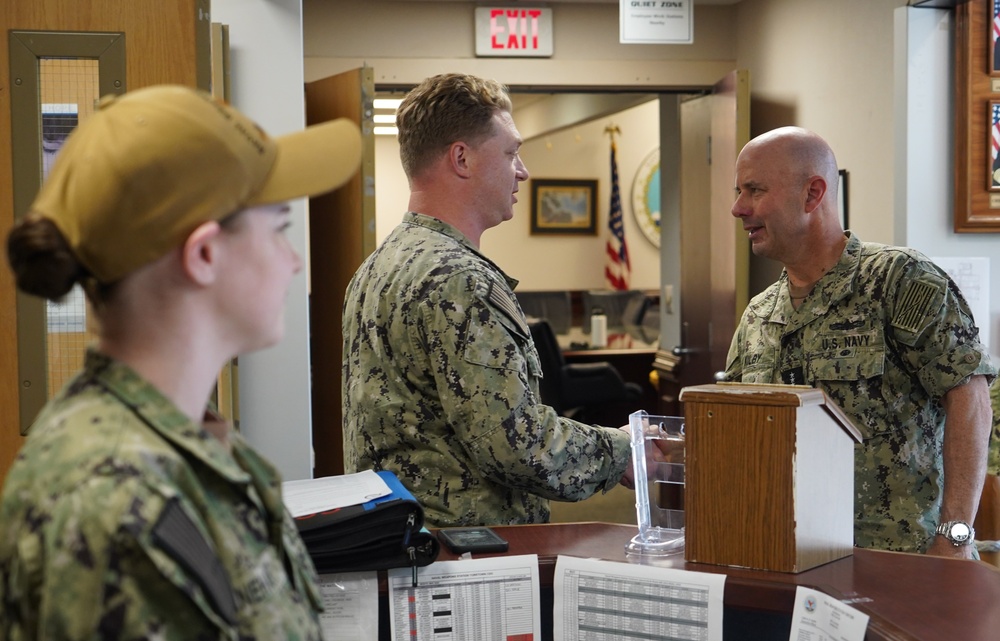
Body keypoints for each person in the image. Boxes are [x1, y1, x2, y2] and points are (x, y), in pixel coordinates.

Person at [0, 85, 362, 639]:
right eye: (281, 229)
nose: (293, 263)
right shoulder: (111, 502)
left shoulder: (193, 441)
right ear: (204, 255)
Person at [341, 73, 639, 527]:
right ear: (462, 158)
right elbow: (515, 445)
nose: (522, 170)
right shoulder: (461, 279)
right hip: (467, 558)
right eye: (511, 152)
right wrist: (626, 450)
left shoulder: (377, 267)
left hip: (400, 541)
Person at [725, 126, 995, 559]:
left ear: (813, 194)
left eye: (754, 190)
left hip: (903, 562)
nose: (738, 208)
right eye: (739, 191)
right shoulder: (759, 314)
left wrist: (955, 535)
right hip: (784, 557)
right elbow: (737, 433)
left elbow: (971, 400)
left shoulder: (898, 280)